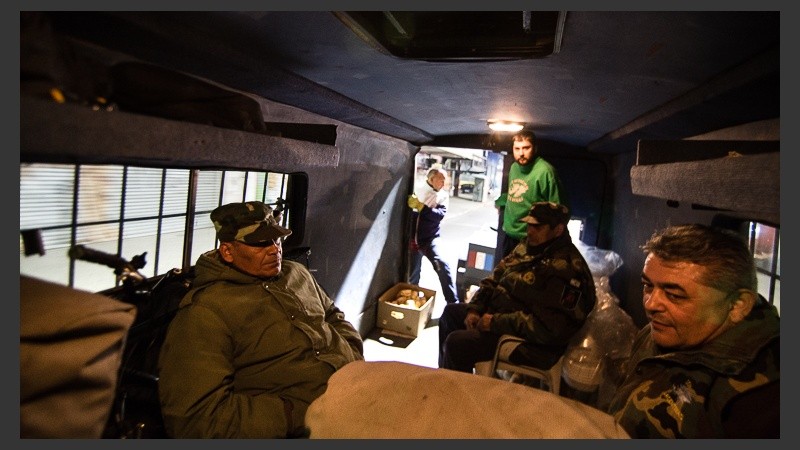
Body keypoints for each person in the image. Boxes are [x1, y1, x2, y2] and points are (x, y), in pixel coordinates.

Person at [157, 201, 364, 438]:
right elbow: (198, 419)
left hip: (355, 385)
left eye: (277, 240)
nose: (275, 250)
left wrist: (352, 352)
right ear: (228, 251)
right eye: (260, 243)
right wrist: (292, 414)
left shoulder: (296, 273)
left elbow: (332, 314)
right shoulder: (206, 312)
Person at [607, 224, 780, 438]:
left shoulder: (762, 400)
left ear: (737, 305)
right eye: (648, 286)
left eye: (675, 295)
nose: (651, 304)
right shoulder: (663, 328)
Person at [438, 201, 595, 373]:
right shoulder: (528, 247)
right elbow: (495, 278)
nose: (530, 231)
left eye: (538, 227)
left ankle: (456, 393)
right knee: (450, 315)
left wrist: (495, 323)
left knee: (457, 343)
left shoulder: (566, 269)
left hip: (533, 344)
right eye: (529, 225)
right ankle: (444, 378)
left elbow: (549, 328)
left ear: (558, 230)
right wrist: (476, 308)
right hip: (502, 317)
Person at [494, 130, 568, 258]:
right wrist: (500, 202)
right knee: (506, 275)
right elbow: (515, 194)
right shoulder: (514, 167)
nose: (521, 153)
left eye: (526, 148)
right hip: (510, 235)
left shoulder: (545, 172)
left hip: (531, 239)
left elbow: (559, 209)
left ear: (535, 148)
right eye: (517, 148)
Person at [407, 167, 460, 304]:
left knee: (442, 265)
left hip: (430, 239)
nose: (443, 182)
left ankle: (452, 302)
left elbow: (439, 216)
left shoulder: (443, 196)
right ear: (431, 179)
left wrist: (422, 208)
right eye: (441, 179)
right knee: (412, 273)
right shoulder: (418, 190)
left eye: (444, 179)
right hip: (413, 239)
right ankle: (412, 301)